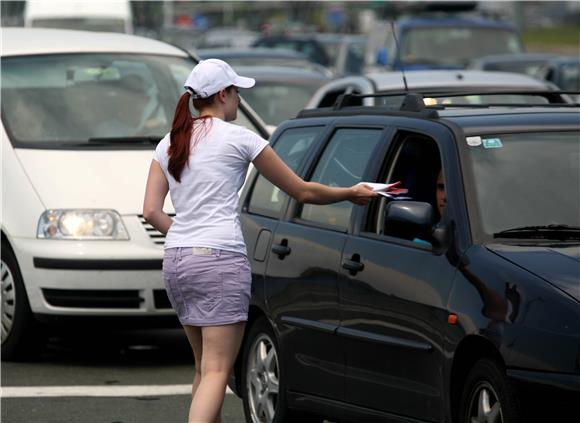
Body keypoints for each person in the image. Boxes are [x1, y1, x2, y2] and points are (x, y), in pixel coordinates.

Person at [142, 58, 377, 423]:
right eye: (236, 92)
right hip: (220, 260)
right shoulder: (241, 139)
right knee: (219, 370)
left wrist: (187, 237)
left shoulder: (170, 142)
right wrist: (350, 192)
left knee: (205, 371)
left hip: (177, 261)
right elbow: (301, 191)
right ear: (223, 94)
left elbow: (151, 211)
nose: (238, 101)